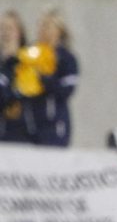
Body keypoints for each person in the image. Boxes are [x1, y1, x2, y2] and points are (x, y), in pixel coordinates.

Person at [0, 8, 79, 146]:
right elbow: (18, 80)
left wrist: (45, 80)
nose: (42, 31)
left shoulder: (66, 58)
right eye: (40, 26)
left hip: (54, 126)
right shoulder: (31, 53)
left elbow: (66, 90)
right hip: (30, 127)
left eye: (47, 26)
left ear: (59, 30)